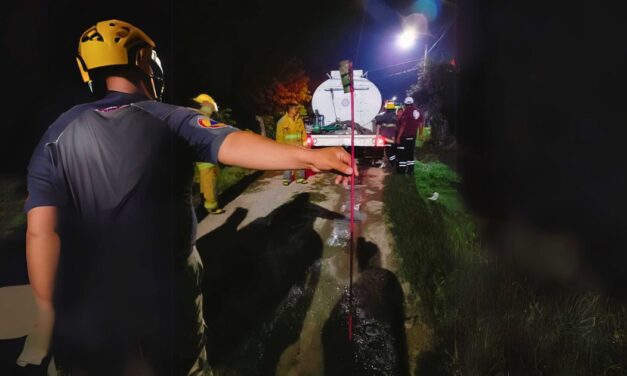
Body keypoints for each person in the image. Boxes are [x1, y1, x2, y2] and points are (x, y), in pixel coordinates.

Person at [20, 19, 354, 375]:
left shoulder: (56, 133)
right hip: (165, 284)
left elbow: (41, 232)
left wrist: (46, 311)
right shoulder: (170, 117)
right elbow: (232, 143)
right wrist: (310, 156)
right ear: (144, 62)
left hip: (90, 292)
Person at [191, 93, 225, 215]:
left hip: (204, 156)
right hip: (206, 157)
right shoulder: (203, 118)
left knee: (206, 182)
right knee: (209, 182)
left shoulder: (196, 117)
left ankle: (205, 202)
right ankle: (211, 206)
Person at [275, 103, 308, 185]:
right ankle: (286, 179)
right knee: (288, 163)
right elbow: (279, 136)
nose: (297, 110)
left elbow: (303, 132)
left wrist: (305, 144)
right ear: (290, 110)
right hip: (287, 147)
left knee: (300, 162)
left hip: (299, 146)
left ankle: (300, 178)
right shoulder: (282, 122)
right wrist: (280, 148)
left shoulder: (299, 120)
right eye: (295, 109)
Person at [395, 96, 423, 174]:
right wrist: (420, 134)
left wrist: (399, 136)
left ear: (405, 104)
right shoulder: (417, 112)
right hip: (413, 136)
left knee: (403, 153)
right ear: (412, 103)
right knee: (410, 154)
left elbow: (403, 125)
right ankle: (410, 171)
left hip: (405, 137)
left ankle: (402, 171)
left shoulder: (406, 112)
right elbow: (421, 124)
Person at [374, 101, 398, 169]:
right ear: (393, 109)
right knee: (392, 153)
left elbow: (377, 118)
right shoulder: (395, 117)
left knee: (389, 154)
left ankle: (393, 165)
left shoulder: (384, 116)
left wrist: (376, 142)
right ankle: (394, 164)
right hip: (393, 140)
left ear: (386, 109)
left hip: (387, 139)